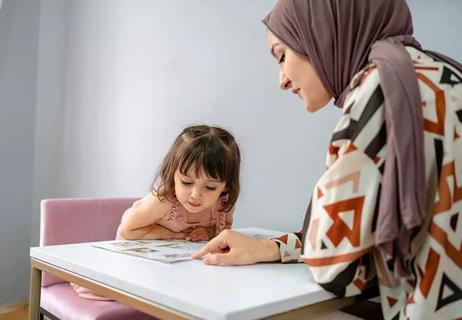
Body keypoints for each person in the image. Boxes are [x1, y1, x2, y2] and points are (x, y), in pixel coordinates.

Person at [193, 0, 462, 319]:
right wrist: (271, 248)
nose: (282, 80)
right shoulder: (446, 74)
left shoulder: (382, 91)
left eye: (282, 55)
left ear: (322, 31)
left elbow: (335, 268)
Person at [72, 124, 241, 300]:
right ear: (172, 174)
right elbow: (127, 230)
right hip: (135, 261)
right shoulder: (164, 201)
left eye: (210, 187)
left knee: (209, 293)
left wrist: (209, 232)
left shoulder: (223, 203)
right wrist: (174, 235)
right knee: (116, 292)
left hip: (178, 268)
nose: (195, 195)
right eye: (186, 182)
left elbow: (224, 232)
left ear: (226, 186)